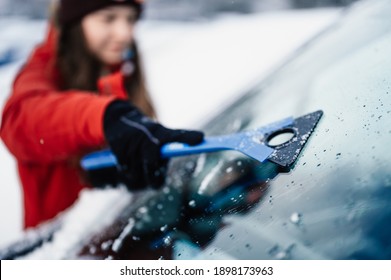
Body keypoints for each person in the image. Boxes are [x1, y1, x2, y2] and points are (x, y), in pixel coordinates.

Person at [0, 0, 204, 229]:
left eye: (130, 19)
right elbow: (20, 122)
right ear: (75, 21)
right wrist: (106, 117)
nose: (124, 33)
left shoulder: (123, 69)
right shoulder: (42, 71)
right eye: (108, 18)